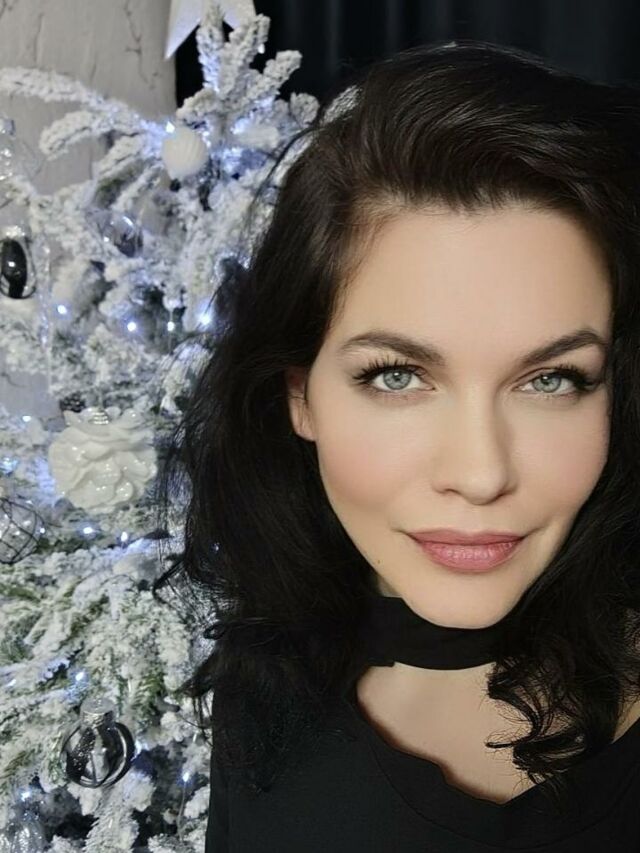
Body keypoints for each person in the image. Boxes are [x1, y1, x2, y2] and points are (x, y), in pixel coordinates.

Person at [154, 38, 640, 851]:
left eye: (552, 379)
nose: (480, 474)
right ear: (300, 394)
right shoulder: (261, 692)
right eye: (397, 376)